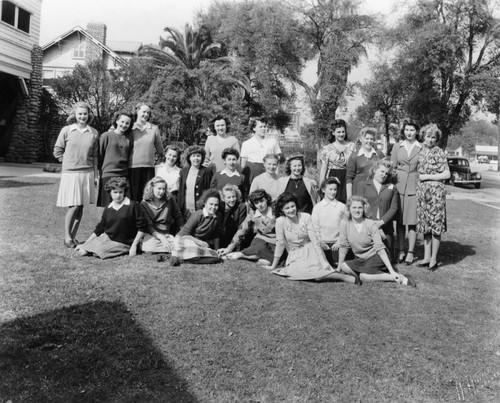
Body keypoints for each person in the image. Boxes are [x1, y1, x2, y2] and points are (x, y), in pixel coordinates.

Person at [263, 193, 358, 283]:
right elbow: (280, 243)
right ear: (282, 210)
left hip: (311, 251)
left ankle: (343, 277)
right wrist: (273, 266)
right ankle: (334, 275)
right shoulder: (280, 222)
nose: (291, 210)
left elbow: (314, 240)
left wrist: (323, 261)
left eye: (293, 206)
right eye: (287, 208)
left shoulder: (305, 217)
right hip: (294, 254)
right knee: (295, 274)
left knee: (316, 275)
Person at [337, 196, 417, 287]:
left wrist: (392, 271)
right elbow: (343, 246)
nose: (357, 210)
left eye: (360, 207)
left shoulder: (370, 223)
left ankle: (401, 278)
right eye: (354, 207)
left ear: (364, 209)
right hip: (360, 259)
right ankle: (366, 276)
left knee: (364, 276)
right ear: (349, 209)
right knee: (344, 266)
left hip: (375, 256)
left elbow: (380, 248)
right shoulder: (345, 223)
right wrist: (339, 268)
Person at [53, 101, 99, 248]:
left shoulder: (94, 133)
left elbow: (95, 156)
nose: (82, 116)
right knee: (73, 206)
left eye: (85, 114)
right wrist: (66, 162)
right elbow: (57, 151)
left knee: (80, 206)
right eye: (80, 114)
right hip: (70, 174)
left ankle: (73, 237)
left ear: (89, 115)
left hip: (87, 173)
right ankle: (67, 237)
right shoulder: (67, 130)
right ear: (75, 115)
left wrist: (96, 174)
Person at [76, 177, 147, 259]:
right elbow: (100, 227)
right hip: (107, 238)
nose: (118, 195)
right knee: (82, 251)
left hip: (123, 242)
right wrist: (86, 243)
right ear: (110, 192)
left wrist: (134, 246)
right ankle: (92, 246)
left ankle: (113, 249)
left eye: (121, 192)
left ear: (124, 192)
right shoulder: (108, 207)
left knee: (99, 252)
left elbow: (142, 227)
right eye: (115, 192)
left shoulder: (133, 205)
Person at [416, 124, 450, 271]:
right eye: (428, 136)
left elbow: (447, 174)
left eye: (433, 137)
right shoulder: (420, 151)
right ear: (424, 136)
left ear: (437, 139)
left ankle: (434, 260)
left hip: (436, 193)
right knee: (425, 226)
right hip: (423, 193)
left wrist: (427, 177)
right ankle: (426, 257)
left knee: (435, 226)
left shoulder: (439, 152)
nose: (430, 140)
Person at [219, 189, 278, 265]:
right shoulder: (253, 214)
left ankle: (241, 255)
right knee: (260, 247)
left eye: (262, 201)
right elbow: (242, 230)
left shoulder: (276, 212)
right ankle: (240, 254)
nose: (260, 205)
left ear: (267, 200)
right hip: (260, 240)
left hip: (275, 241)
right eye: (256, 203)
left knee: (267, 262)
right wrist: (229, 248)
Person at [391, 119, 422, 265]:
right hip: (399, 186)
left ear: (417, 132)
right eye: (407, 130)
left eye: (412, 130)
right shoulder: (398, 146)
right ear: (404, 131)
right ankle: (401, 250)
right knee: (401, 221)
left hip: (414, 187)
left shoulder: (421, 148)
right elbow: (392, 167)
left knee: (412, 221)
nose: (409, 133)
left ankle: (410, 252)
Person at [356, 159, 399, 262]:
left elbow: (394, 208)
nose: (384, 175)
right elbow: (359, 206)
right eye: (382, 171)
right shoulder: (363, 185)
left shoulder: (392, 188)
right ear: (375, 170)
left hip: (385, 228)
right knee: (366, 259)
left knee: (387, 260)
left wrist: (381, 222)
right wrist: (373, 225)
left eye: (386, 173)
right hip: (366, 227)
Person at [170, 189, 223, 266]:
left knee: (215, 256)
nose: (213, 207)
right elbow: (183, 235)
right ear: (205, 203)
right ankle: (178, 257)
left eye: (216, 205)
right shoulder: (198, 215)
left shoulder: (217, 216)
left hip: (199, 244)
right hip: (186, 240)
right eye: (211, 204)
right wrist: (200, 242)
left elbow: (216, 235)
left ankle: (182, 258)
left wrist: (216, 250)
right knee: (194, 251)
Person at [129, 103, 164, 201]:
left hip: (149, 168)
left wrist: (161, 160)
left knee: (147, 196)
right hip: (132, 167)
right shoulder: (130, 128)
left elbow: (160, 148)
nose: (146, 115)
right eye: (144, 112)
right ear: (137, 111)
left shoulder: (154, 128)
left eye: (148, 113)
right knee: (134, 197)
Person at [140, 176, 184, 255]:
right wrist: (161, 238)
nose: (162, 191)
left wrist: (183, 232)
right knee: (149, 249)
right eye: (159, 189)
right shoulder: (144, 203)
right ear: (152, 188)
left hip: (166, 233)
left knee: (177, 246)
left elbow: (178, 215)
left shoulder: (169, 199)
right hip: (152, 234)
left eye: (164, 189)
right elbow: (148, 226)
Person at [97, 111, 133, 207]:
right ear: (117, 121)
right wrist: (99, 174)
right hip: (108, 174)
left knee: (123, 207)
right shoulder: (106, 136)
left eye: (127, 123)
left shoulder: (129, 139)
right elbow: (100, 156)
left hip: (123, 176)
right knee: (108, 206)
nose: (124, 125)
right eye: (122, 122)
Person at [318, 119, 357, 203]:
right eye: (338, 132)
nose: (341, 134)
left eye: (343, 132)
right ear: (333, 133)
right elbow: (323, 169)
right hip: (332, 177)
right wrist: (322, 187)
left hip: (348, 178)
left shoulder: (352, 146)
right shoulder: (327, 149)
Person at [311, 177, 345, 268]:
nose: (333, 192)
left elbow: (345, 227)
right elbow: (315, 227)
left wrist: (339, 241)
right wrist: (320, 241)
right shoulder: (317, 207)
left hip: (337, 243)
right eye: (330, 189)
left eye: (335, 189)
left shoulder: (342, 207)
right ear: (323, 190)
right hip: (322, 243)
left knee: (337, 263)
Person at [240, 117, 281, 188]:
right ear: (254, 128)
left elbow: (277, 159)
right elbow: (243, 163)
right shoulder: (247, 143)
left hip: (268, 170)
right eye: (260, 127)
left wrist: (276, 174)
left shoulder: (272, 142)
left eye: (264, 126)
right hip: (252, 172)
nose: (263, 129)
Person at [346, 127, 385, 199]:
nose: (369, 141)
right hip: (358, 192)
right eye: (367, 138)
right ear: (361, 139)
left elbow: (385, 173)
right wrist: (349, 197)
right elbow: (349, 178)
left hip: (374, 191)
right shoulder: (354, 156)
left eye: (371, 139)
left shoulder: (379, 154)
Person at [178, 145, 213, 219]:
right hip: (186, 209)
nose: (196, 158)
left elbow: (209, 191)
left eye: (198, 156)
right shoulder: (183, 172)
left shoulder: (207, 171)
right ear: (189, 158)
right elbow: (181, 191)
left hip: (200, 208)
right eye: (193, 156)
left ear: (202, 157)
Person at [218, 184, 247, 248]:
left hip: (233, 238)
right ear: (223, 198)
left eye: (233, 197)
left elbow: (241, 227)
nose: (232, 200)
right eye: (229, 197)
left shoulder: (241, 207)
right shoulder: (219, 206)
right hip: (219, 238)